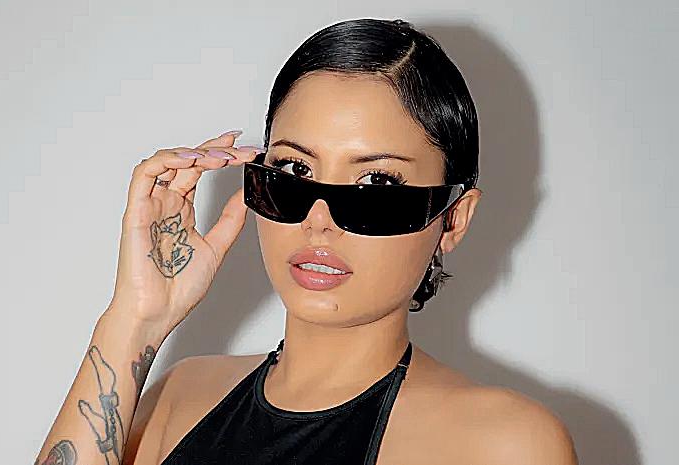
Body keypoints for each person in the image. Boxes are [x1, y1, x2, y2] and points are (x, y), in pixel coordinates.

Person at [35, 18, 578, 465]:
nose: (319, 219)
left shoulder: (504, 444)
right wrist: (135, 319)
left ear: (453, 219)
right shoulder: (178, 400)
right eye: (295, 170)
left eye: (376, 184)